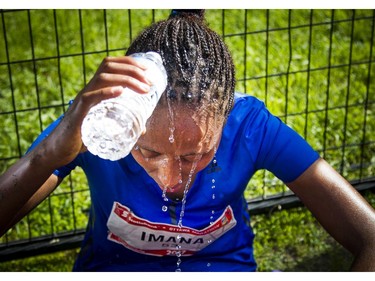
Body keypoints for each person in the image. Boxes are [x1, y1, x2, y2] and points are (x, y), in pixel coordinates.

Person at [0, 9, 374, 272]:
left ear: (227, 118)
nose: (171, 181)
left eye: (198, 155)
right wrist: (46, 156)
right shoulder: (97, 124)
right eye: (147, 151)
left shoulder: (249, 126)